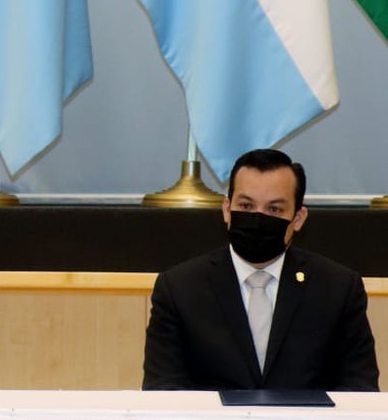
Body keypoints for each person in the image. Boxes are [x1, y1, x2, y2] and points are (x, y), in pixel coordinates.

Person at [143, 148, 378, 391]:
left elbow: (360, 390)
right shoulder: (179, 289)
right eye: (246, 206)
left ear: (298, 218)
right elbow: (163, 391)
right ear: (227, 210)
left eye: (274, 209)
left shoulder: (337, 289)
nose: (257, 219)